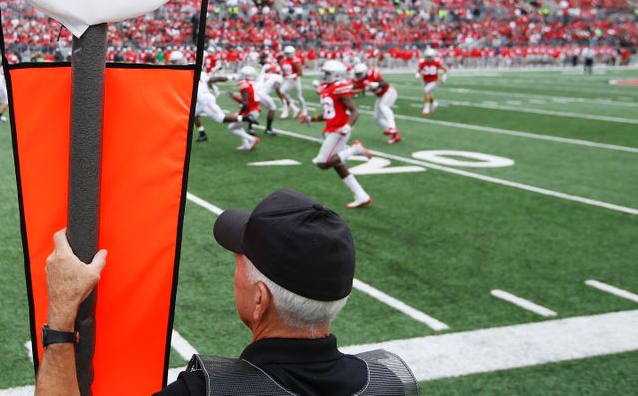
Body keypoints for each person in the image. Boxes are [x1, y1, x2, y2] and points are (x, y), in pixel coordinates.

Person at [36, 189, 417, 395]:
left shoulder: (207, 392)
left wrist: (62, 314)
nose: (234, 272)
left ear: (259, 299)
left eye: (239, 262)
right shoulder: (388, 381)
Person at [305, 61, 373, 209]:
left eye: (327, 73)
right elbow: (328, 114)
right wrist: (311, 118)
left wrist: (348, 126)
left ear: (337, 74)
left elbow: (355, 111)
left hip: (339, 131)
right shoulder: (327, 88)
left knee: (322, 163)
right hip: (333, 129)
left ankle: (354, 149)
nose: (324, 75)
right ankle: (361, 195)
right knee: (338, 165)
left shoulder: (339, 88)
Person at [351, 63, 401, 144]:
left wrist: (377, 84)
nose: (357, 75)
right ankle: (395, 135)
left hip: (389, 92)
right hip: (380, 96)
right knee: (377, 118)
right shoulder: (357, 80)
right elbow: (358, 90)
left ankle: (392, 127)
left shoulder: (373, 73)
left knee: (383, 106)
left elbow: (385, 83)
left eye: (359, 74)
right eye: (356, 74)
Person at [227, 66, 261, 152]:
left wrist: (240, 114)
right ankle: (246, 145)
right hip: (254, 110)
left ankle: (252, 139)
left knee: (231, 127)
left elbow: (245, 103)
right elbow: (248, 101)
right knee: (237, 124)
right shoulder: (254, 84)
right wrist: (235, 98)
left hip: (249, 112)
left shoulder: (243, 84)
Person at [415, 48, 447, 116]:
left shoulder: (437, 62)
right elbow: (418, 71)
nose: (429, 58)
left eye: (430, 57)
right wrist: (417, 75)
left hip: (434, 81)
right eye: (427, 57)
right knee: (428, 94)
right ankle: (434, 103)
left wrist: (444, 77)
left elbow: (445, 69)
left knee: (426, 91)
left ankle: (427, 108)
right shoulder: (422, 62)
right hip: (425, 81)